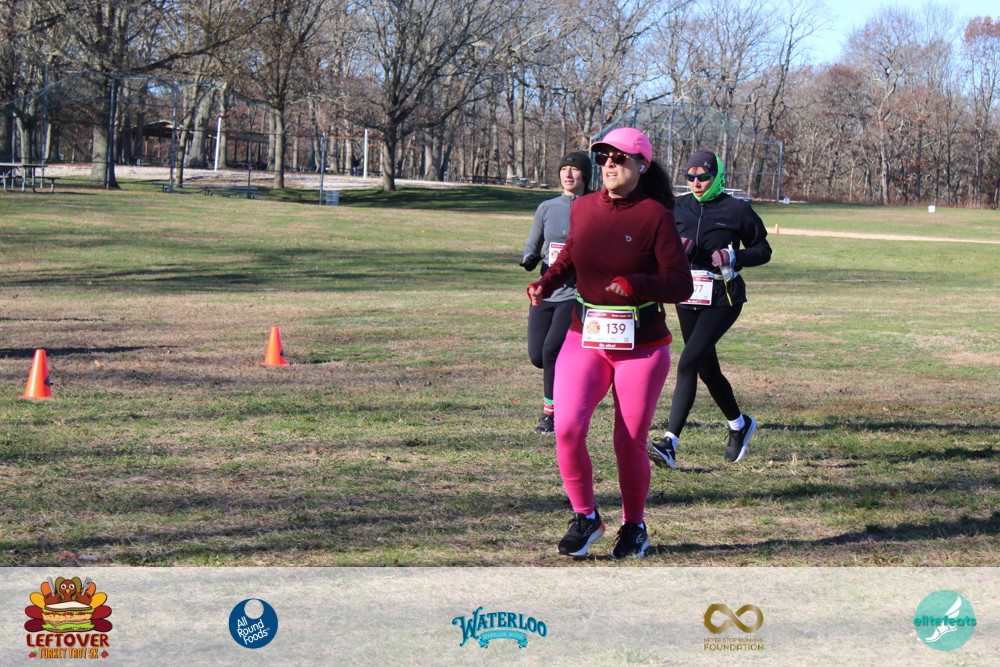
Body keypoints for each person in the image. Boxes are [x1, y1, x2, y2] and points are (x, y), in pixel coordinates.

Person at [527, 128, 693, 558]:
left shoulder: (656, 216)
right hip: (585, 338)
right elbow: (569, 256)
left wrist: (636, 284)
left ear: (642, 165)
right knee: (566, 429)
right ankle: (586, 518)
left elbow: (680, 283)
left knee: (629, 440)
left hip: (642, 346)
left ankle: (634, 527)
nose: (609, 165)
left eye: (619, 157)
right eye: (603, 157)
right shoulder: (584, 207)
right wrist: (547, 283)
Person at [647, 149, 772, 469]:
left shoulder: (737, 210)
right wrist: (676, 251)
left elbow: (763, 249)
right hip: (687, 296)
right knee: (706, 368)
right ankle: (739, 425)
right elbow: (658, 247)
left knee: (688, 362)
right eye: (690, 177)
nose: (697, 183)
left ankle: (669, 443)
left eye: (703, 176)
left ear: (717, 177)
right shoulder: (677, 207)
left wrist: (734, 256)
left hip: (723, 299)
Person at [521, 151, 592, 434]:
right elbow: (532, 245)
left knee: (551, 351)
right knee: (538, 356)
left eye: (574, 170)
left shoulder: (594, 207)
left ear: (585, 175)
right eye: (564, 169)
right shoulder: (547, 207)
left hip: (575, 293)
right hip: (545, 290)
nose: (568, 174)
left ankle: (550, 414)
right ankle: (570, 384)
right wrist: (529, 259)